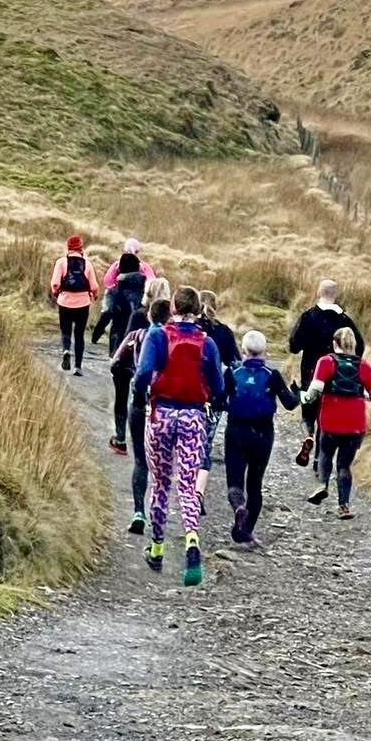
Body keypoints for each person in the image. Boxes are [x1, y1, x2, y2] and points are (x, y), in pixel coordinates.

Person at [133, 286, 225, 585]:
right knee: (186, 485)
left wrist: (142, 393)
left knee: (160, 482)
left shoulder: (158, 336)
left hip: (162, 413)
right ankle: (192, 541)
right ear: (198, 310)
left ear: (173, 307)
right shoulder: (207, 342)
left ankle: (157, 548)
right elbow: (219, 385)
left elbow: (144, 372)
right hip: (194, 417)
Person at [220, 329, 298, 546]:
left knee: (235, 482)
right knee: (255, 483)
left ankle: (238, 507)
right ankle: (246, 530)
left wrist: (228, 405)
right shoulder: (272, 375)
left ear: (243, 351)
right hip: (263, 433)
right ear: (265, 352)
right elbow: (290, 403)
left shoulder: (232, 373)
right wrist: (297, 392)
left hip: (236, 430)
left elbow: (217, 400)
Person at [303, 327, 371, 518]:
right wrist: (361, 394)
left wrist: (305, 398)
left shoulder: (326, 361)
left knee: (325, 453)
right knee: (344, 465)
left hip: (331, 421)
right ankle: (344, 506)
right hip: (355, 424)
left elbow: (316, 389)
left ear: (335, 343)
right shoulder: (363, 365)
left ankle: (322, 484)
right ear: (354, 344)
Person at [287, 280, 365, 467]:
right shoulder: (345, 321)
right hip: (337, 375)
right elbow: (360, 347)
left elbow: (293, 345)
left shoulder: (308, 316)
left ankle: (308, 435)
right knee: (325, 415)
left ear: (318, 292)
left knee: (309, 412)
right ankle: (318, 459)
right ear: (336, 295)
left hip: (311, 372)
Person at [110, 297, 169, 532]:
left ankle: (138, 512)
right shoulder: (173, 339)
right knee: (163, 464)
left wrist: (129, 377)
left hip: (140, 404)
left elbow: (115, 364)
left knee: (141, 461)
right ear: (169, 318)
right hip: (166, 407)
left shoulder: (136, 336)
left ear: (149, 316)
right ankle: (159, 517)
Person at [193, 289, 240, 500]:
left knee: (186, 441)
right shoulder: (224, 332)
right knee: (206, 443)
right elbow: (236, 365)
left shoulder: (189, 329)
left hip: (188, 394)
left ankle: (184, 485)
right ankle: (198, 491)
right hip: (214, 397)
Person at [48, 234, 100, 374]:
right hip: (83, 303)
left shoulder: (61, 262)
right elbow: (94, 286)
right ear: (81, 248)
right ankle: (78, 366)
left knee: (66, 331)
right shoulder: (87, 264)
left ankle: (66, 350)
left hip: (65, 302)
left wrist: (56, 293)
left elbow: (55, 283)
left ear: (68, 247)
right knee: (79, 334)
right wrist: (94, 296)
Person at [92, 248, 148, 350]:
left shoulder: (116, 289)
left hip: (117, 338)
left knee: (114, 325)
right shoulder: (145, 286)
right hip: (137, 340)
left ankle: (99, 337)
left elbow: (107, 281)